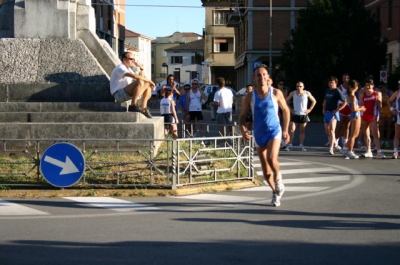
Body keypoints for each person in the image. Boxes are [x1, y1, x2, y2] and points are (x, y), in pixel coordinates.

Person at [239, 64, 290, 207]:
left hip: (274, 131)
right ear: (254, 79)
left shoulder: (276, 93)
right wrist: (243, 130)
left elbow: (285, 110)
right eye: (258, 75)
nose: (261, 77)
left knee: (271, 158)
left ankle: (279, 181)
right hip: (259, 133)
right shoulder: (249, 97)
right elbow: (242, 117)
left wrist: (285, 130)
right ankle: (275, 192)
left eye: (264, 75)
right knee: (266, 172)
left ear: (268, 77)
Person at [109, 51, 155, 118]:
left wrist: (141, 68)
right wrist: (150, 81)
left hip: (125, 93)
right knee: (143, 82)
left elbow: (141, 79)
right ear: (124, 59)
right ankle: (133, 105)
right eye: (131, 59)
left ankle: (144, 107)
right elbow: (135, 77)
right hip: (118, 94)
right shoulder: (120, 68)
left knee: (147, 86)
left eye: (134, 59)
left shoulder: (128, 69)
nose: (133, 61)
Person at [285, 81, 316, 151]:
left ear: (303, 87)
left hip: (303, 114)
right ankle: (290, 144)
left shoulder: (307, 93)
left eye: (300, 86)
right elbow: (285, 101)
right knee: (292, 129)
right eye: (297, 86)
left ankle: (301, 145)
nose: (298, 88)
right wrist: (290, 109)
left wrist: (310, 109)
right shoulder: (293, 93)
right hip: (295, 114)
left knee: (302, 130)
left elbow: (314, 101)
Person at [359, 78, 385, 158]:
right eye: (366, 85)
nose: (368, 86)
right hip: (364, 115)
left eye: (369, 85)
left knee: (375, 133)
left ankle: (378, 151)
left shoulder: (377, 93)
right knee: (366, 134)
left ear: (373, 85)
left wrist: (380, 117)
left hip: (373, 115)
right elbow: (360, 104)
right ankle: (368, 150)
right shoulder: (362, 93)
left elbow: (380, 106)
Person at [322, 76, 347, 155]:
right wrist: (323, 108)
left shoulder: (337, 91)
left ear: (336, 83)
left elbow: (345, 101)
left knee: (332, 130)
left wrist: (337, 110)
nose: (331, 84)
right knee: (327, 131)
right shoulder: (327, 90)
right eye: (329, 82)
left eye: (332, 82)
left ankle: (331, 148)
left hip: (333, 113)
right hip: (327, 112)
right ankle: (335, 144)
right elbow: (325, 100)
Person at [342, 80, 366, 159]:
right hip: (355, 115)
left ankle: (345, 148)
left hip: (354, 115)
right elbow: (353, 109)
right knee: (353, 135)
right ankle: (350, 151)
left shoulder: (350, 96)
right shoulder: (353, 96)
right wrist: (361, 109)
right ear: (355, 87)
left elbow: (353, 107)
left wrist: (359, 107)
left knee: (355, 134)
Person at [335, 73, 352, 148]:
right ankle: (335, 141)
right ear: (342, 79)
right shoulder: (340, 87)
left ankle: (345, 142)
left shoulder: (351, 87)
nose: (346, 79)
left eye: (347, 78)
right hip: (341, 106)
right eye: (344, 78)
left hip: (349, 107)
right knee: (339, 125)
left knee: (347, 126)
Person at [387, 80, 400, 159]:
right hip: (398, 115)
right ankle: (395, 151)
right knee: (397, 134)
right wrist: (392, 109)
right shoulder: (397, 93)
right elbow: (389, 101)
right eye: (399, 85)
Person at [378, 83, 393, 148]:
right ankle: (381, 140)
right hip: (382, 111)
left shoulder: (390, 92)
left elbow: (392, 101)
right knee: (382, 126)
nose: (381, 88)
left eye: (382, 87)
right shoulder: (379, 93)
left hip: (389, 111)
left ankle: (387, 141)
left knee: (389, 126)